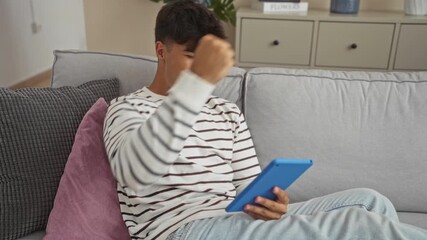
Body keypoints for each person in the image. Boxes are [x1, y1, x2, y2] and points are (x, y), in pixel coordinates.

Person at [103, 1, 427, 239]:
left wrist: (271, 204)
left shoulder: (225, 112)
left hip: (233, 222)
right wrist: (196, 85)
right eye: (192, 57)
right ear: (161, 50)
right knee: (359, 226)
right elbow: (136, 172)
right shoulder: (127, 109)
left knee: (371, 202)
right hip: (183, 231)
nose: (203, 71)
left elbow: (250, 191)